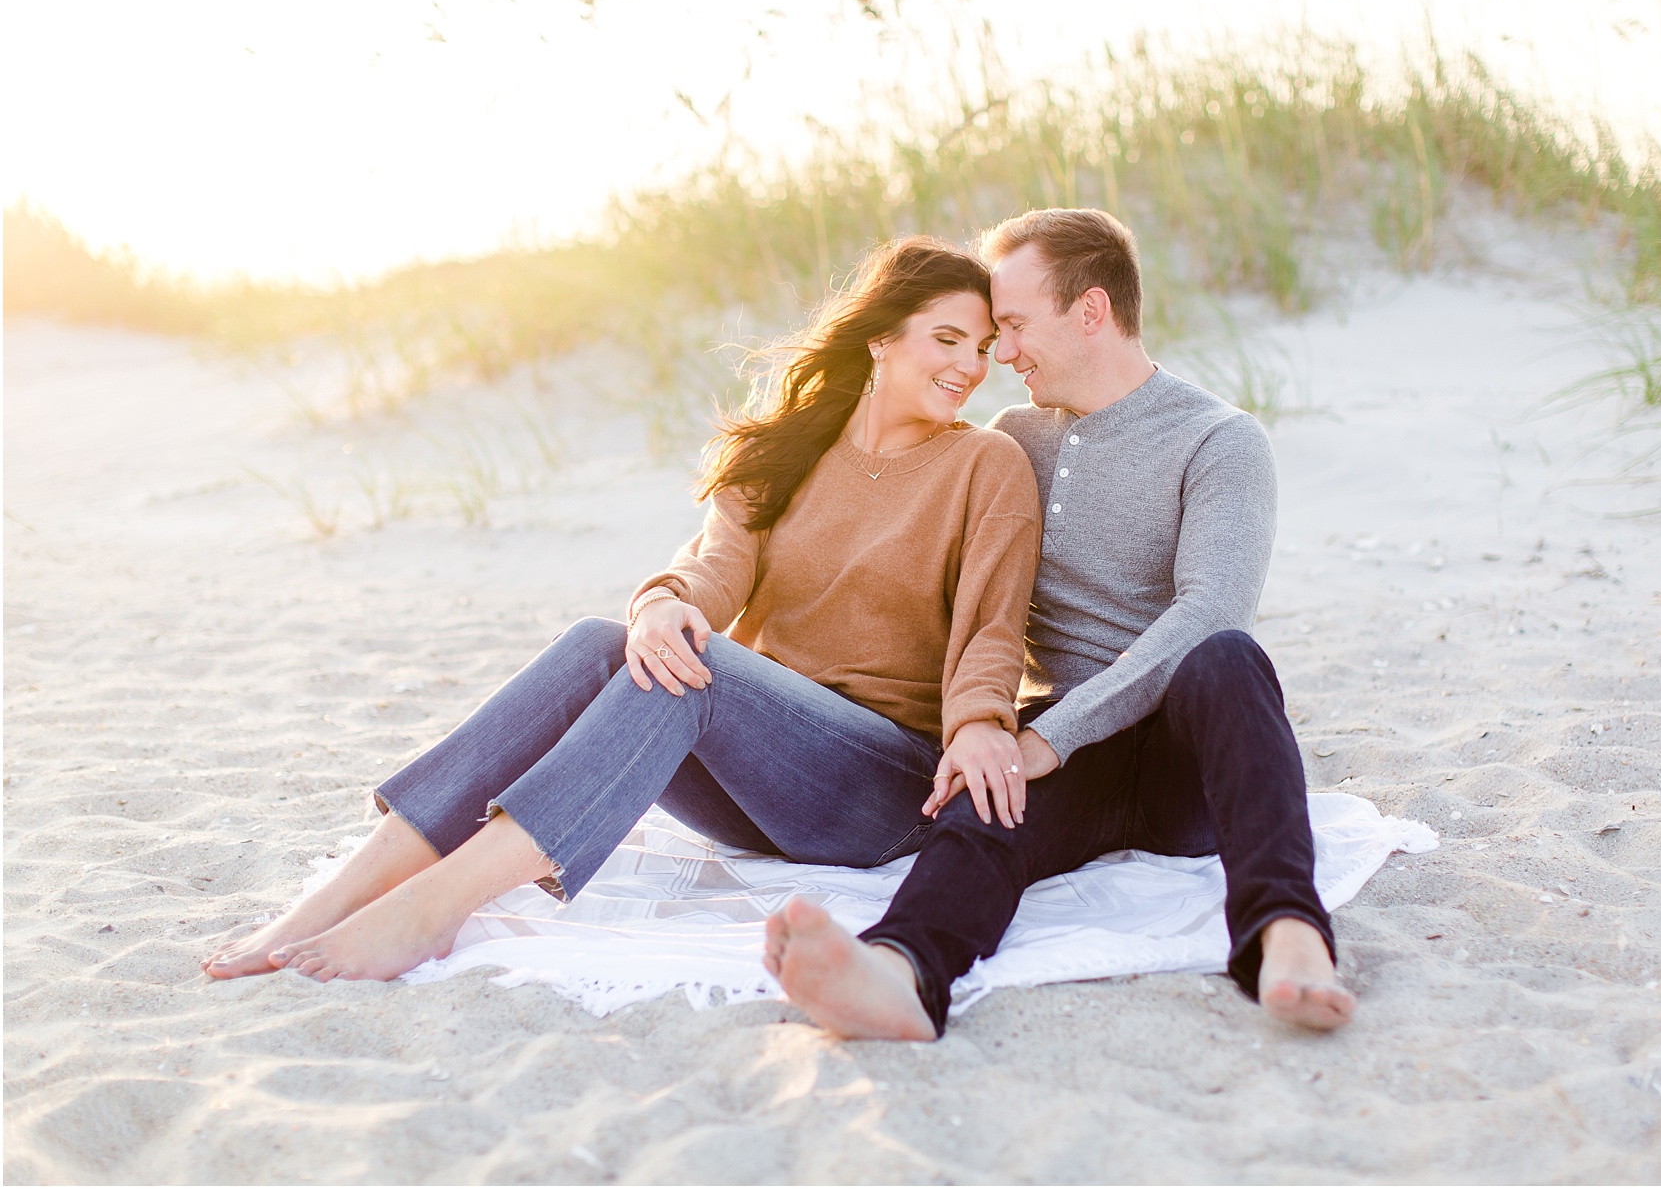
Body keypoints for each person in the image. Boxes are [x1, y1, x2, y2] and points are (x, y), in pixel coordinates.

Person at [200, 236, 1042, 985]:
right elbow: (711, 572)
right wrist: (659, 606)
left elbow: (992, 632)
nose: (969, 367)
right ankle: (334, 900)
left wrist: (978, 722)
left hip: (880, 792)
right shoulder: (785, 453)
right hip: (752, 791)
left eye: (981, 350)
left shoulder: (985, 464)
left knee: (696, 670)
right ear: (880, 338)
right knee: (605, 642)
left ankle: (437, 905)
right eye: (947, 339)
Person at [764, 208, 1357, 1039]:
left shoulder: (1219, 440)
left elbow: (1213, 608)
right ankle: (901, 972)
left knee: (1228, 656)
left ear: (1090, 311)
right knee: (985, 794)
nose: (997, 354)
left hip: (1182, 749)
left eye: (1011, 325)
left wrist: (1054, 733)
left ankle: (1289, 936)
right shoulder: (1012, 439)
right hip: (1066, 751)